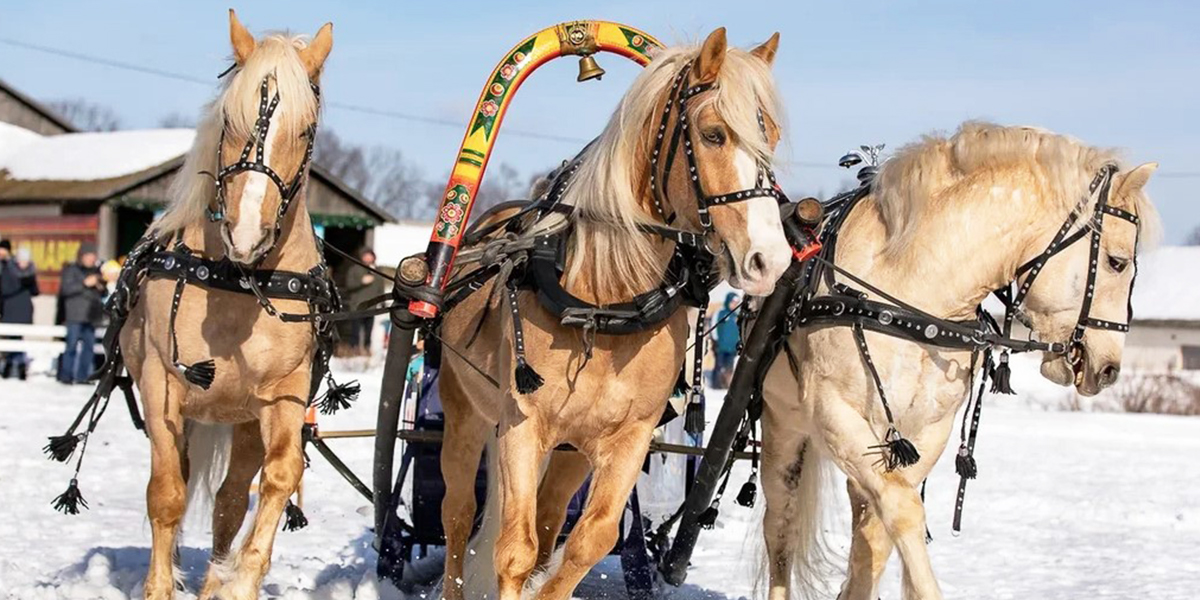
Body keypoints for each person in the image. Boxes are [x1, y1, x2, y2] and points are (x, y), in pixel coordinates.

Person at [58, 244, 106, 384]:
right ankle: (66, 376)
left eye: (93, 256)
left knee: (88, 349)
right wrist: (85, 283)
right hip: (75, 315)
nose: (91, 259)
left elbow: (101, 293)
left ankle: (83, 376)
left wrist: (100, 286)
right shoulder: (72, 270)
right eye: (89, 256)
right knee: (71, 346)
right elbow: (66, 290)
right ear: (82, 256)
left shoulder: (96, 271)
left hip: (90, 316)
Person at [1, 246, 40, 380]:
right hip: (10, 308)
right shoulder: (8, 270)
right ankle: (10, 365)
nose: (24, 263)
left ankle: (19, 366)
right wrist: (21, 283)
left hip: (24, 309)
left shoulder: (30, 272)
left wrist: (30, 281)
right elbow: (5, 289)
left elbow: (35, 292)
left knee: (19, 338)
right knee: (12, 337)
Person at [342, 247, 386, 355]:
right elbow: (349, 285)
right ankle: (354, 349)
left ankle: (367, 349)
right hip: (357, 305)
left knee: (368, 331)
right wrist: (362, 282)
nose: (368, 257)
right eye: (365, 255)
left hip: (371, 306)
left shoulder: (377, 271)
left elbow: (381, 288)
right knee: (355, 331)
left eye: (370, 255)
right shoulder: (355, 269)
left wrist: (382, 301)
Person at [710, 292, 741, 389]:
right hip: (721, 346)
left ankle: (726, 386)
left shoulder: (737, 316)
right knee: (719, 367)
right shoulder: (721, 313)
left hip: (732, 348)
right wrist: (715, 340)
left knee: (729, 368)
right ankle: (716, 385)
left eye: (736, 303)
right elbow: (713, 326)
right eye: (733, 302)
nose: (734, 305)